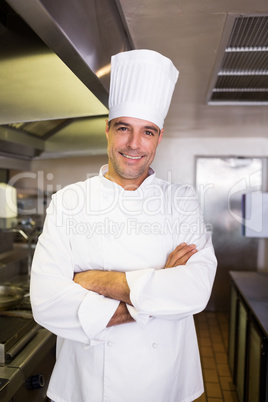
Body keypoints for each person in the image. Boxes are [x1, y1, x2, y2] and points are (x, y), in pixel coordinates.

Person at [30, 49, 217, 402]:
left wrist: (98, 281)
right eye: (123, 129)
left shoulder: (183, 201)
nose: (134, 144)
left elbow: (195, 290)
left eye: (147, 132)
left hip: (165, 380)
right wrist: (159, 289)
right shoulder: (69, 202)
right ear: (107, 130)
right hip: (86, 383)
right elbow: (46, 301)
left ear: (159, 137)